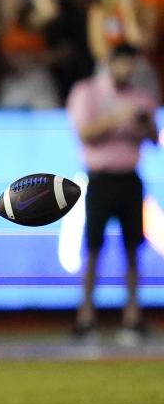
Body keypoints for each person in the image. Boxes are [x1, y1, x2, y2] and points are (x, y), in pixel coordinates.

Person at [67, 42, 159, 343]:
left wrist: (144, 123)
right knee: (93, 247)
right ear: (110, 62)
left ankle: (132, 315)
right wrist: (119, 117)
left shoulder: (141, 98)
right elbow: (84, 134)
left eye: (131, 63)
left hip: (129, 178)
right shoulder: (88, 92)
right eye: (122, 62)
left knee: (133, 249)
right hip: (101, 179)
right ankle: (86, 315)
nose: (127, 69)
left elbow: (155, 139)